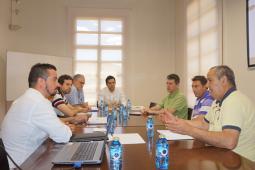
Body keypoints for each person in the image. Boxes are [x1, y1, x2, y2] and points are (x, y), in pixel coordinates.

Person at [161, 65, 255, 161]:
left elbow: (229, 141)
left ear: (223, 80)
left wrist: (189, 130)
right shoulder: (217, 101)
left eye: (210, 80)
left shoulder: (234, 101)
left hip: (242, 162)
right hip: (223, 156)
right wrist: (177, 121)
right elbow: (203, 124)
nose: (207, 86)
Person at [1, 63, 72, 168]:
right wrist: (64, 128)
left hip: (20, 161)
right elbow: (64, 136)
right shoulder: (38, 102)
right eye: (54, 79)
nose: (57, 84)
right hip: (23, 165)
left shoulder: (23, 99)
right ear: (41, 82)